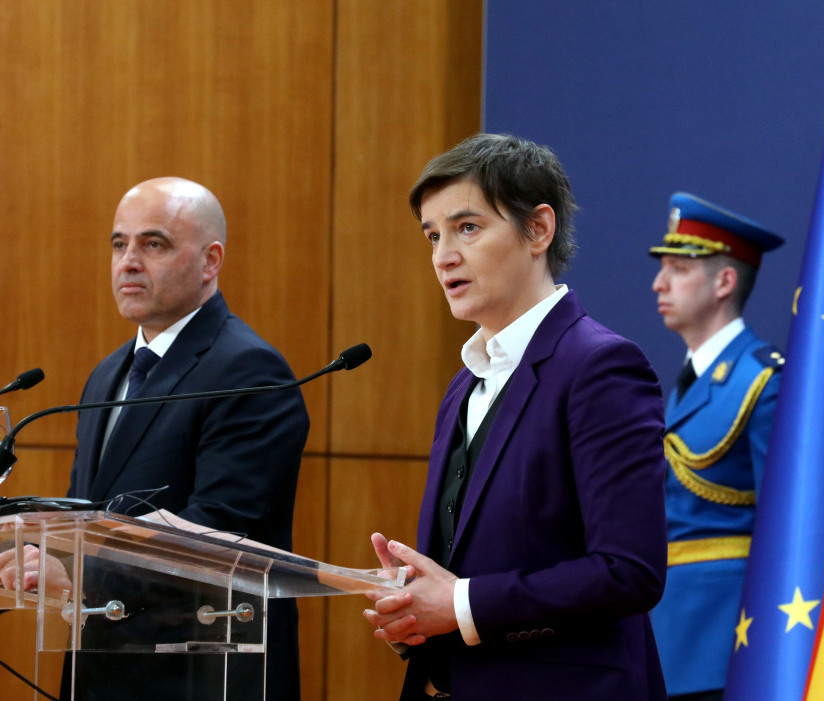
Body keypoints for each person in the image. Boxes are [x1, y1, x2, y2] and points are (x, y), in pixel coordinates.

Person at [362, 134, 668, 700]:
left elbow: (629, 570)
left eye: (467, 228)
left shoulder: (600, 366)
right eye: (433, 236)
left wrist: (459, 604)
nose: (443, 256)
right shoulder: (464, 384)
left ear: (538, 230)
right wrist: (415, 610)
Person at [63, 177, 309, 700]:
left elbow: (216, 532)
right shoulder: (107, 374)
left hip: (203, 671)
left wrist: (73, 569)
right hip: (102, 667)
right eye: (119, 244)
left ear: (210, 261)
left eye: (153, 244)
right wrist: (40, 553)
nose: (128, 262)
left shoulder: (249, 371)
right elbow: (85, 513)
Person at [647, 192, 784, 700]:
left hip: (727, 640)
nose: (659, 283)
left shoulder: (762, 381)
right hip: (669, 634)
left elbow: (784, 527)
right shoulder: (691, 382)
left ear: (724, 282)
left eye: (679, 269)